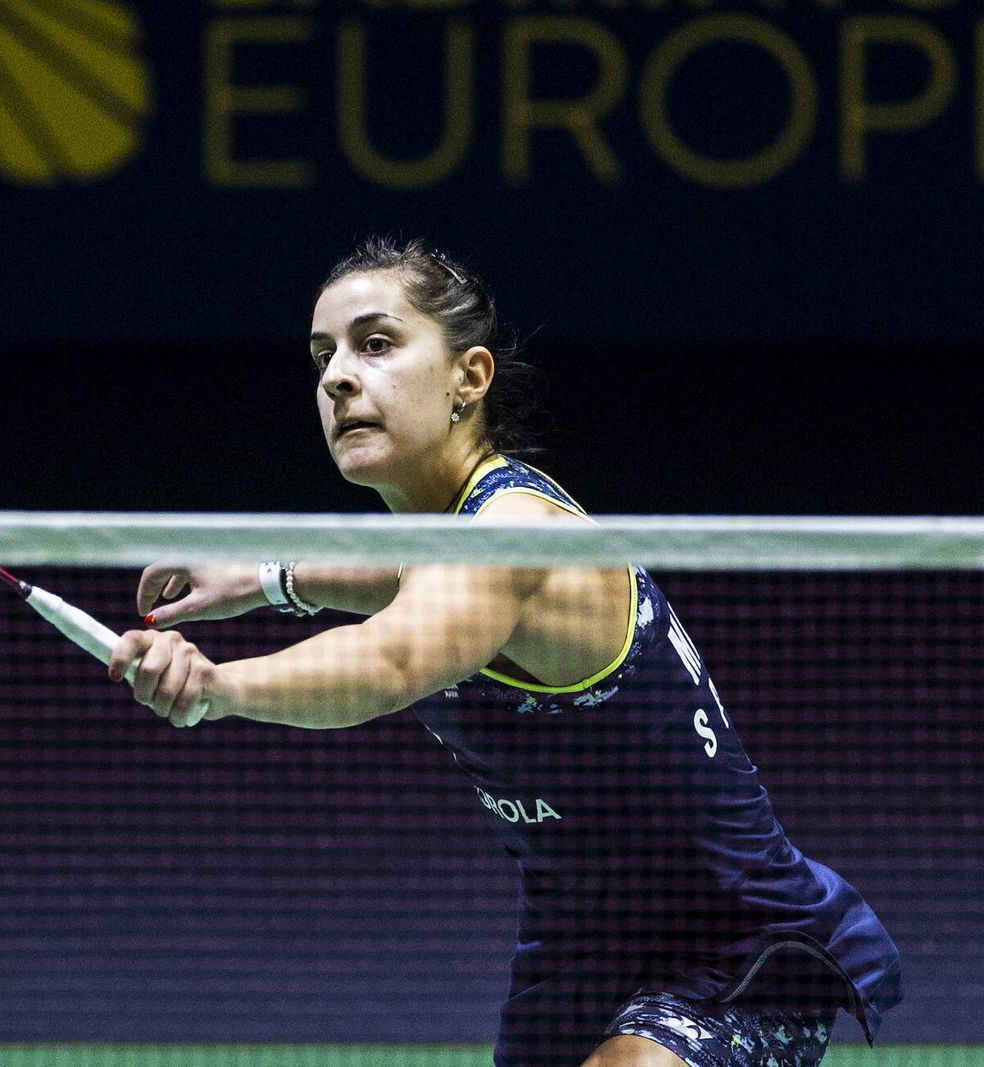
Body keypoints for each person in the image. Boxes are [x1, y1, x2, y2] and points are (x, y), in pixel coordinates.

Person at [106, 237, 901, 1067]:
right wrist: (263, 576)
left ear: (469, 377)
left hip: (734, 942)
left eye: (376, 345)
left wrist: (216, 683)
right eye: (323, 355)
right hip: (578, 950)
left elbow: (390, 661)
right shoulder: (445, 544)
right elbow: (400, 575)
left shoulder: (515, 533)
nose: (337, 376)